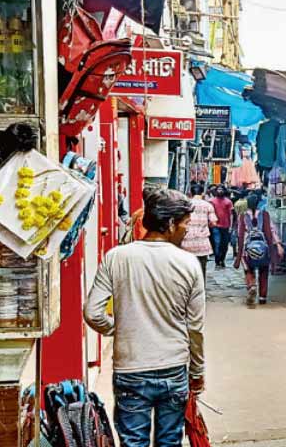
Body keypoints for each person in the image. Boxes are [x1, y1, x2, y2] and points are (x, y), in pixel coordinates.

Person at [84, 189, 205, 447]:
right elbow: (195, 327)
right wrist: (197, 371)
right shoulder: (189, 264)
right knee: (169, 442)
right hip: (173, 368)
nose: (187, 230)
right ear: (170, 224)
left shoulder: (117, 257)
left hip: (131, 368)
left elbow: (93, 312)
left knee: (133, 443)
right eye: (185, 223)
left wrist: (118, 329)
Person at [234, 193, 283, 306]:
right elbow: (272, 231)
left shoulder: (242, 216)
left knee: (248, 269)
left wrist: (239, 250)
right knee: (264, 271)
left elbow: (240, 233)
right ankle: (262, 297)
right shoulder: (265, 215)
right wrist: (278, 245)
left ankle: (251, 285)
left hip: (248, 248)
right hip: (264, 248)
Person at [182, 184, 218, 279]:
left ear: (191, 193)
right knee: (202, 269)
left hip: (186, 242)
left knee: (187, 270)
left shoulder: (185, 204)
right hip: (202, 242)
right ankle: (201, 290)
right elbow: (213, 223)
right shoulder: (207, 205)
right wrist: (205, 225)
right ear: (202, 193)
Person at [208, 186, 234, 268]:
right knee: (217, 243)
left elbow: (231, 215)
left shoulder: (228, 202)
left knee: (225, 244)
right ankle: (217, 259)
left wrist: (231, 226)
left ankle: (222, 259)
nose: (220, 191)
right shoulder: (211, 201)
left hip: (225, 226)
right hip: (215, 225)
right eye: (218, 189)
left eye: (221, 189)